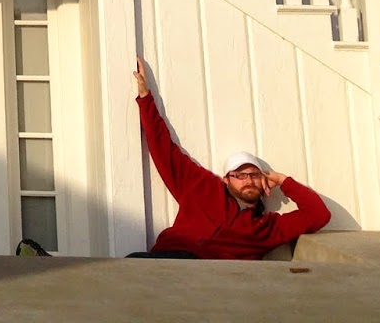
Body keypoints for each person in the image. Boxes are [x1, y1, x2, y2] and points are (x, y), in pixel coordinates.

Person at [130, 57, 330, 259]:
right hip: (168, 259)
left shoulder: (267, 228)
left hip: (215, 273)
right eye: (239, 175)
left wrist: (282, 180)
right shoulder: (202, 187)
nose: (248, 180)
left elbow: (319, 214)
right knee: (131, 262)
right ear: (226, 179)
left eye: (254, 174)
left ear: (263, 181)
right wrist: (146, 98)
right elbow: (164, 149)